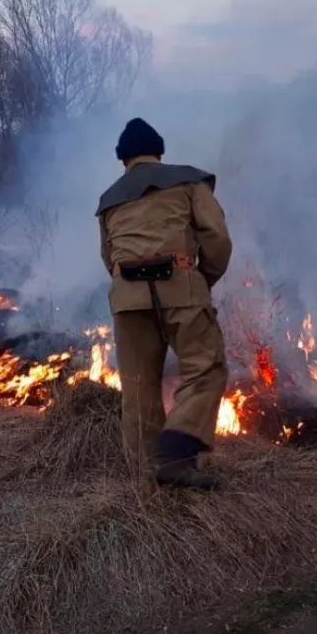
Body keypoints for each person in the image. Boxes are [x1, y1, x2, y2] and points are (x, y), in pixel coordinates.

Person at [96, 118, 232, 490]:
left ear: (123, 159)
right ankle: (175, 454)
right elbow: (217, 238)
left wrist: (131, 286)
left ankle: (144, 478)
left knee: (138, 386)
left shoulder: (109, 200)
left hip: (127, 298)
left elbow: (109, 258)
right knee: (205, 367)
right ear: (159, 151)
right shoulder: (189, 181)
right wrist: (201, 280)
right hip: (179, 285)